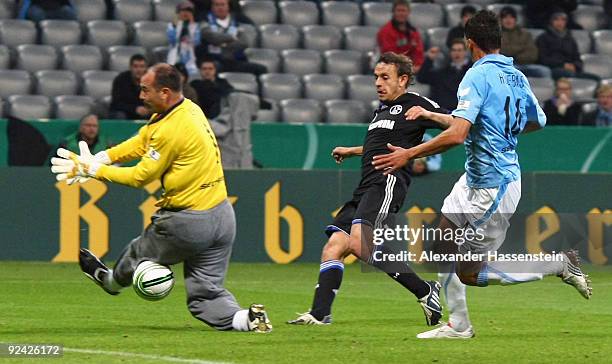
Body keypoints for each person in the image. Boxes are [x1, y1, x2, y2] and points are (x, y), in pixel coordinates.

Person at [372, 10, 592, 339]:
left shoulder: (476, 75)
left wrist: (409, 153)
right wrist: (442, 118)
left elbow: (460, 134)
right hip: (475, 178)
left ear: (470, 43)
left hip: (494, 185)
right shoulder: (516, 75)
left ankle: (558, 264)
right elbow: (539, 120)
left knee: (471, 272)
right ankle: (458, 325)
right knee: (440, 245)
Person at [50, 63, 272, 333]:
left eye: (145, 90)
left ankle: (108, 281)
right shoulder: (188, 108)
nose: (140, 96)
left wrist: (93, 170)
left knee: (137, 253)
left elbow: (140, 177)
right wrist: (101, 157)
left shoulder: (171, 130)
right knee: (205, 293)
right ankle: (248, 319)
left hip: (187, 221)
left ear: (164, 92)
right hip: (223, 217)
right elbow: (142, 140)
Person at [287, 52, 443, 326]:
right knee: (334, 246)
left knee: (360, 244)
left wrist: (427, 120)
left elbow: (457, 124)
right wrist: (352, 151)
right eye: (376, 77)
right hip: (365, 186)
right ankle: (320, 313)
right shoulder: (381, 110)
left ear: (403, 80)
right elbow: (378, 147)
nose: (378, 83)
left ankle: (425, 290)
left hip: (387, 182)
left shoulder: (416, 104)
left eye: (385, 77)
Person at [195, 0, 266, 76]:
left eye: (223, 5)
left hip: (235, 60)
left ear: (228, 6)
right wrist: (232, 37)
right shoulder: (203, 18)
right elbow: (211, 37)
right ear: (211, 7)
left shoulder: (239, 19)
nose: (220, 8)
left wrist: (222, 44)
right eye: (216, 5)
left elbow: (244, 42)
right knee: (211, 69)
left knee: (261, 69)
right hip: (213, 60)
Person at [536, 11, 598, 81]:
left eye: (563, 19)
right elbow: (543, 59)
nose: (560, 22)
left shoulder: (570, 39)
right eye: (556, 19)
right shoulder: (543, 38)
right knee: (569, 75)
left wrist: (575, 66)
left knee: (594, 79)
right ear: (551, 21)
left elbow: (577, 58)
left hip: (571, 70)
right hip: (553, 69)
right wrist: (563, 65)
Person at [417, 39, 471, 111]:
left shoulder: (473, 70)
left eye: (459, 50)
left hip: (465, 112)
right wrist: (429, 59)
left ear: (465, 52)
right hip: (444, 112)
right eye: (454, 50)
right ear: (450, 52)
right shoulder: (442, 72)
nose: (456, 53)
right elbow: (422, 78)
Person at [499, 6, 551, 78]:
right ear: (501, 20)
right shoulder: (497, 34)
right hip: (506, 66)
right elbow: (500, 52)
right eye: (505, 17)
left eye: (511, 17)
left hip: (525, 64)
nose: (508, 20)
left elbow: (532, 54)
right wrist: (521, 49)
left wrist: (514, 56)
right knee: (512, 72)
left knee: (544, 71)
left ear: (515, 19)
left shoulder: (525, 34)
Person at [377, 0, 424, 73]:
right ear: (393, 12)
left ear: (408, 13)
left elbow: (419, 52)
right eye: (398, 11)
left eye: (404, 11)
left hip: (412, 69)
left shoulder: (413, 31)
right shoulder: (385, 31)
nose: (401, 13)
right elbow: (389, 56)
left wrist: (418, 65)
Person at [109, 54, 149, 120]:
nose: (138, 70)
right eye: (135, 66)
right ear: (130, 67)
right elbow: (116, 103)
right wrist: (135, 109)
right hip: (126, 113)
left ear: (146, 68)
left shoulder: (151, 80)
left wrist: (149, 109)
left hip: (145, 113)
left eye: (142, 66)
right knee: (119, 115)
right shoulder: (120, 79)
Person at [167, 1, 201, 78]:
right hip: (174, 58)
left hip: (189, 60)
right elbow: (172, 41)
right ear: (178, 12)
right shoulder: (171, 26)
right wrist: (176, 26)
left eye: (189, 11)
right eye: (183, 10)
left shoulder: (195, 27)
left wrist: (191, 26)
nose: (186, 13)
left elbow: (196, 42)